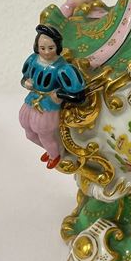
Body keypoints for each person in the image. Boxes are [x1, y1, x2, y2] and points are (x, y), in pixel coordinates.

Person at [19, 24, 86, 169]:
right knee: (29, 133)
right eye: (42, 48)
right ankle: (51, 150)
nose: (46, 52)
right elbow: (23, 78)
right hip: (32, 100)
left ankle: (55, 154)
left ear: (57, 47)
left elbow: (79, 95)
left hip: (48, 104)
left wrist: (58, 95)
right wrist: (26, 83)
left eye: (51, 48)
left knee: (44, 133)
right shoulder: (33, 60)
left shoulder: (62, 68)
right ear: (37, 47)